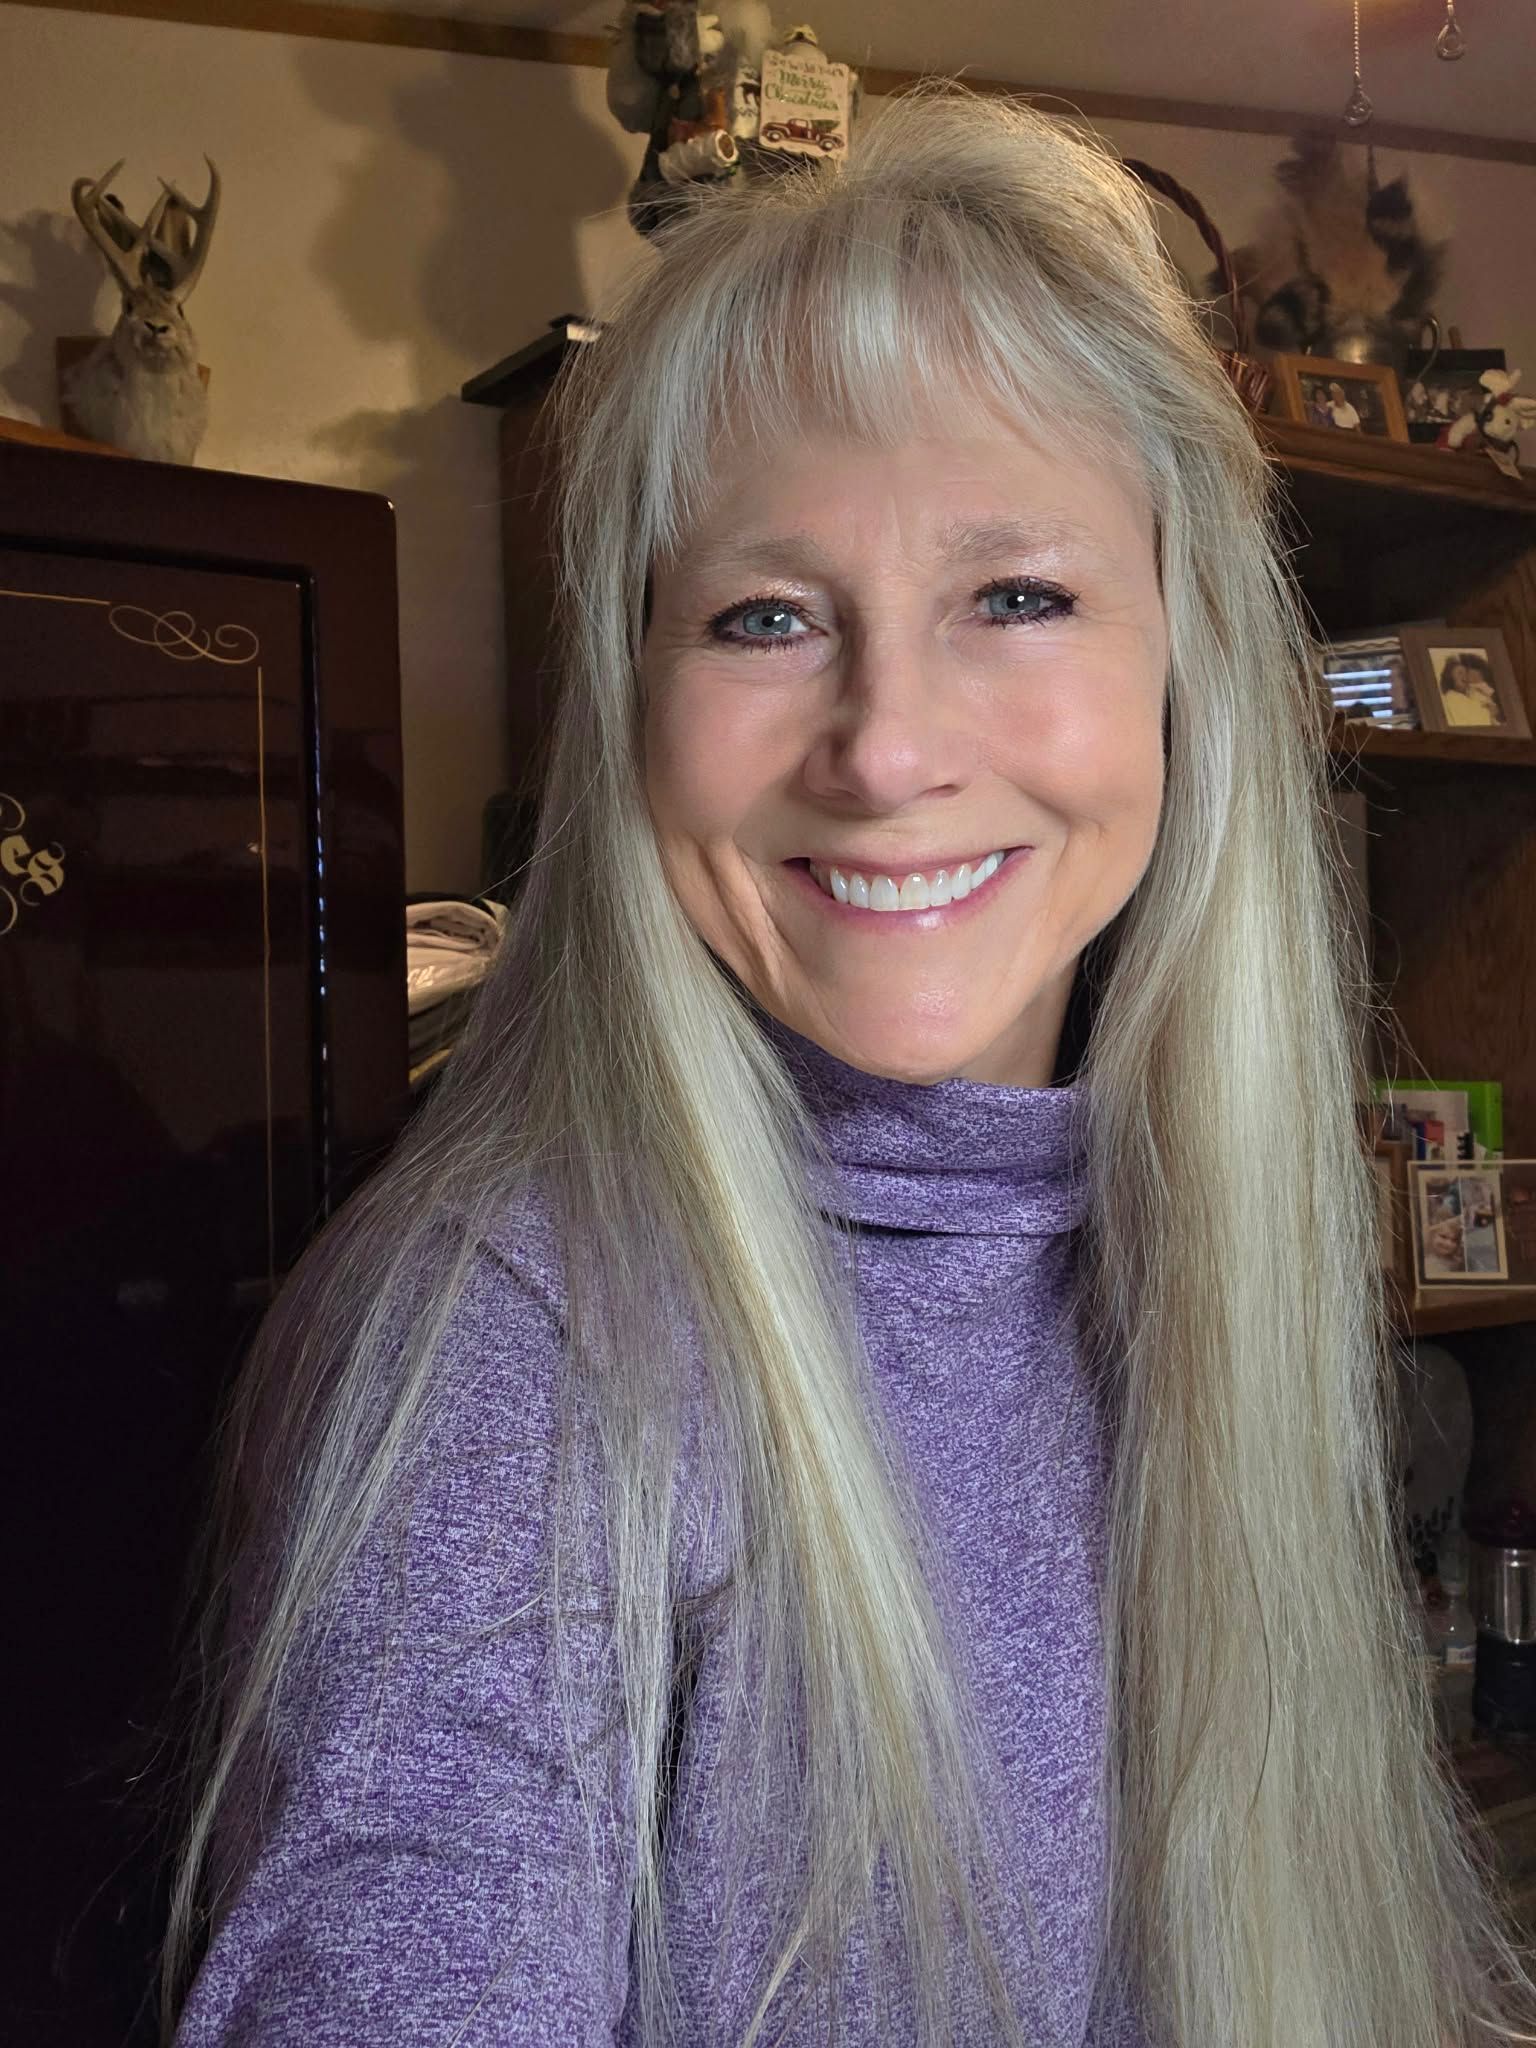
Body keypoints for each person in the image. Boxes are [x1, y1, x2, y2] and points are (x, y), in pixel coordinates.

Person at [162, 85, 1536, 2048]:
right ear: (637, 711)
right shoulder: (518, 1340)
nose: (885, 745)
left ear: (1186, 660)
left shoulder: (1194, 1247)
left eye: (1016, 594)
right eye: (768, 614)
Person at [1441, 653, 1502, 727]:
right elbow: (1475, 720)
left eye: (1466, 673)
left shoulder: (1471, 691)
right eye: (1460, 673)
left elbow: (1493, 707)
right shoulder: (1452, 697)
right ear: (1450, 677)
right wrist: (1490, 712)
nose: (1465, 676)